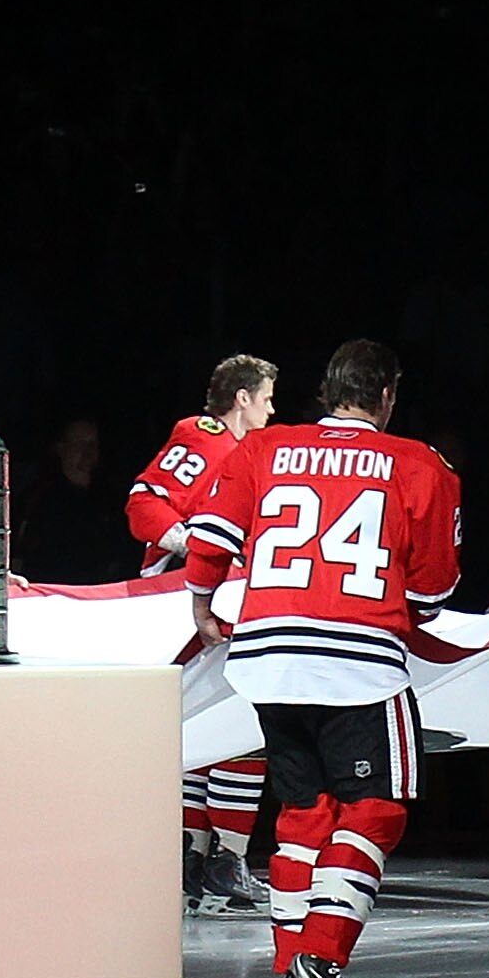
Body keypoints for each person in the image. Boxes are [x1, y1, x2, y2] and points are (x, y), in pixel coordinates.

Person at [185, 339, 461, 978]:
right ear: (387, 396)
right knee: (375, 808)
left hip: (270, 657)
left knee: (305, 814)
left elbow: (210, 539)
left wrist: (200, 602)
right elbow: (432, 588)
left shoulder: (265, 449)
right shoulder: (421, 464)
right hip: (358, 660)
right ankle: (320, 965)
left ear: (326, 391)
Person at [126, 353, 279, 914]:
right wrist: (195, 549)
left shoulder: (244, 451)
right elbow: (144, 503)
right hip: (198, 605)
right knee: (242, 725)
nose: (271, 408)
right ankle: (226, 859)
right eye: (265, 397)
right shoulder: (204, 436)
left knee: (209, 726)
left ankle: (199, 860)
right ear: (241, 397)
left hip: (217, 601)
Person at [13, 416, 137, 584]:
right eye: (78, 444)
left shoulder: (113, 498)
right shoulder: (37, 499)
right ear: (61, 448)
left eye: (92, 444)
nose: (87, 452)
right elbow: (19, 556)